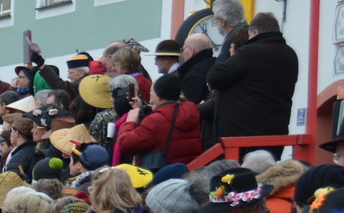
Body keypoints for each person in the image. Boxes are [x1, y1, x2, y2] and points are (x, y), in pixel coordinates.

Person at [204, 11, 299, 145]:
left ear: (256, 32)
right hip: (276, 131)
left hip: (242, 136)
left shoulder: (250, 52)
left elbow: (214, 77)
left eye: (249, 35)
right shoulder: (290, 54)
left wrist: (232, 57)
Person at [117, 75, 203, 168]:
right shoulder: (190, 112)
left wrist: (130, 122)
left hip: (164, 175)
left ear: (159, 96)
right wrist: (140, 108)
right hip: (188, 171)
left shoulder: (154, 121)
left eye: (152, 91)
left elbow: (125, 145)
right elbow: (166, 121)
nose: (150, 93)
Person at [175, 34, 216, 103]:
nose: (183, 53)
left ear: (191, 51)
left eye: (183, 49)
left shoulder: (193, 75)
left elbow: (190, 108)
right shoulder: (218, 64)